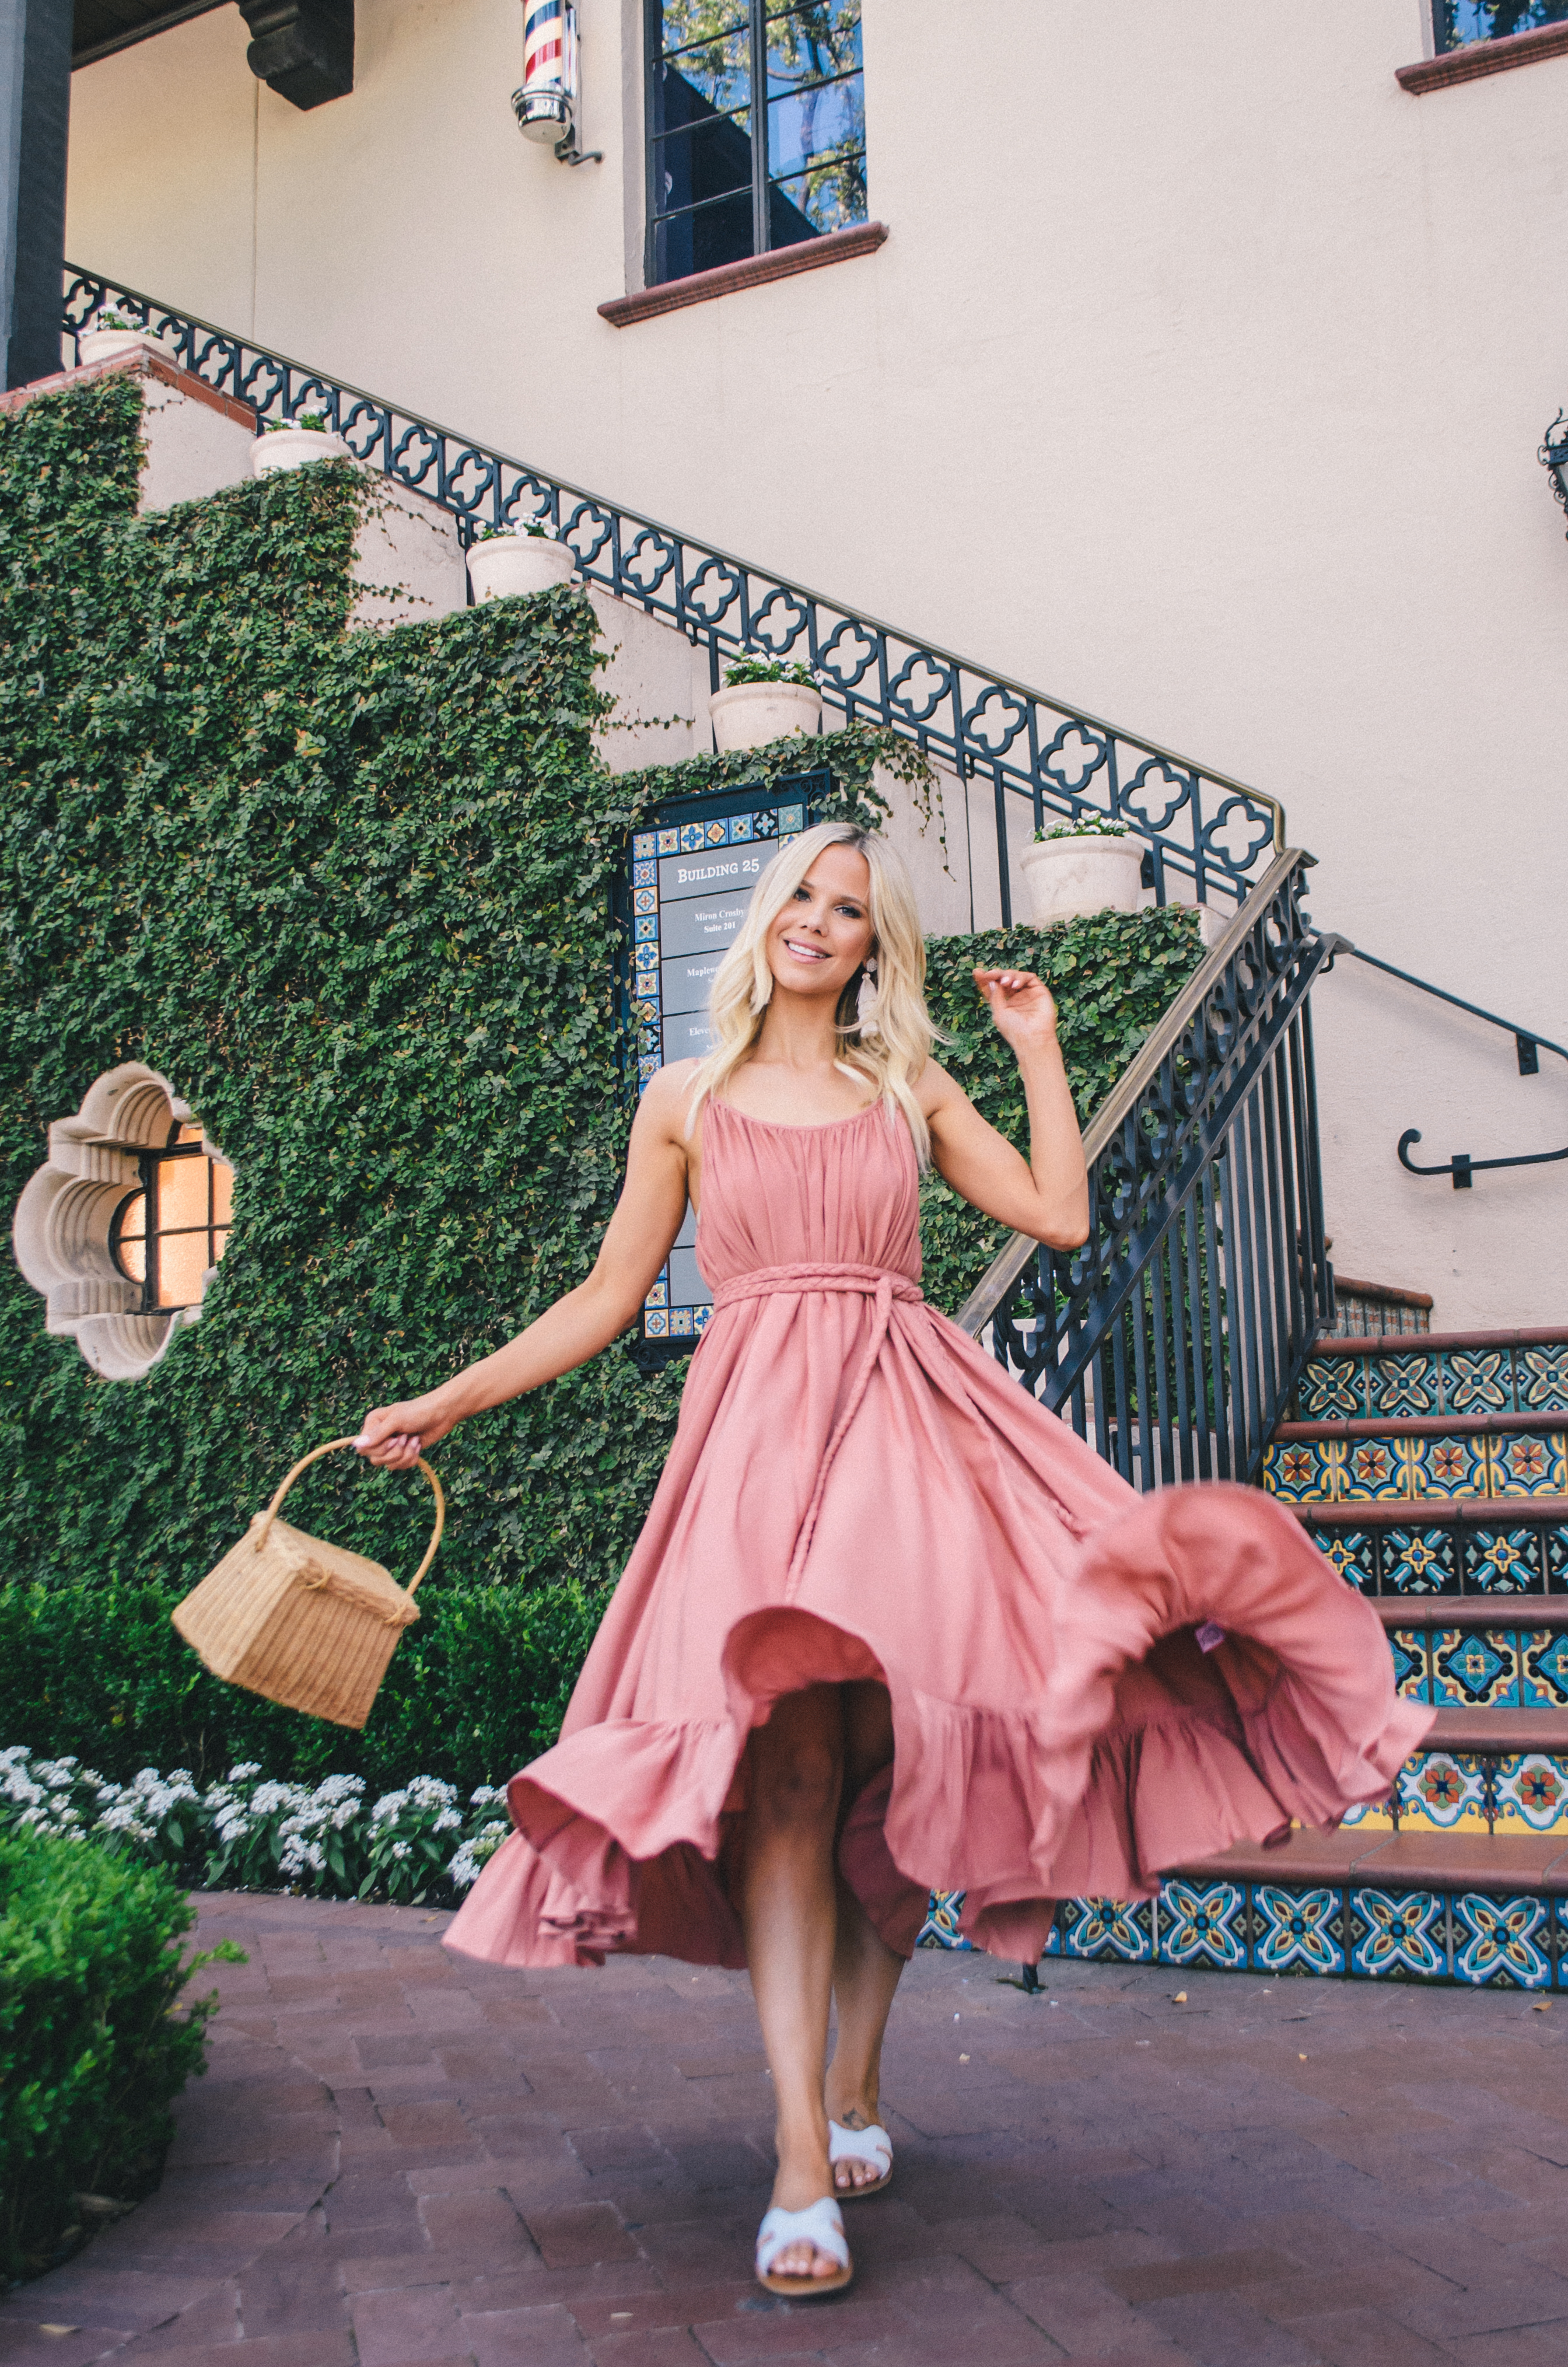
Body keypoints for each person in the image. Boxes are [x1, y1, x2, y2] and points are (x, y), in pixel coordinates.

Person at [356, 820, 1425, 2300]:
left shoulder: (901, 1083)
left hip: (908, 1430)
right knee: (787, 1768)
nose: (817, 918)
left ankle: (856, 2070)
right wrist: (446, 1400)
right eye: (800, 891)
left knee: (899, 1757)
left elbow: (1055, 1215)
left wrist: (1038, 1049)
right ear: (766, 916)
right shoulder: (687, 1097)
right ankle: (803, 2148)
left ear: (873, 944)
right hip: (752, 1450)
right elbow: (606, 1295)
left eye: (848, 907)